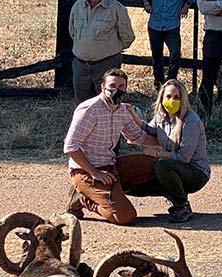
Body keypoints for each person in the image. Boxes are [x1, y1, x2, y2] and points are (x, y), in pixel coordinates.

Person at [63, 68, 160, 225]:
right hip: (86, 171)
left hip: (110, 165)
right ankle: (83, 199)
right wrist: (94, 172)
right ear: (103, 87)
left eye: (121, 86)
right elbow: (70, 147)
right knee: (126, 216)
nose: (116, 90)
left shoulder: (123, 110)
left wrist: (170, 144)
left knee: (159, 165)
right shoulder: (89, 110)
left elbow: (138, 137)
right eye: (112, 85)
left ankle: (113, 193)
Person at [125, 79, 210, 223]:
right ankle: (171, 194)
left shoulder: (191, 120)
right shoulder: (161, 116)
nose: (172, 100)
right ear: (162, 98)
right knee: (143, 174)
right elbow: (149, 130)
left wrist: (156, 154)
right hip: (175, 167)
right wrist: (132, 115)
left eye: (177, 97)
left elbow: (183, 158)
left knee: (162, 165)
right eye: (169, 97)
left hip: (196, 172)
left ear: (183, 100)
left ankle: (181, 205)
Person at [69, 0, 135, 103]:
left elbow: (127, 36)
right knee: (82, 107)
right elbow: (72, 32)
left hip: (106, 65)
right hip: (80, 67)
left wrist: (110, 50)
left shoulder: (116, 8)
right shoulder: (77, 7)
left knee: (109, 104)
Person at [140, 0, 196, 90]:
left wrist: (186, 5)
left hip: (172, 25)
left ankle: (171, 83)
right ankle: (159, 84)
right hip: (155, 24)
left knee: (175, 54)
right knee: (156, 56)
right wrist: (146, 3)